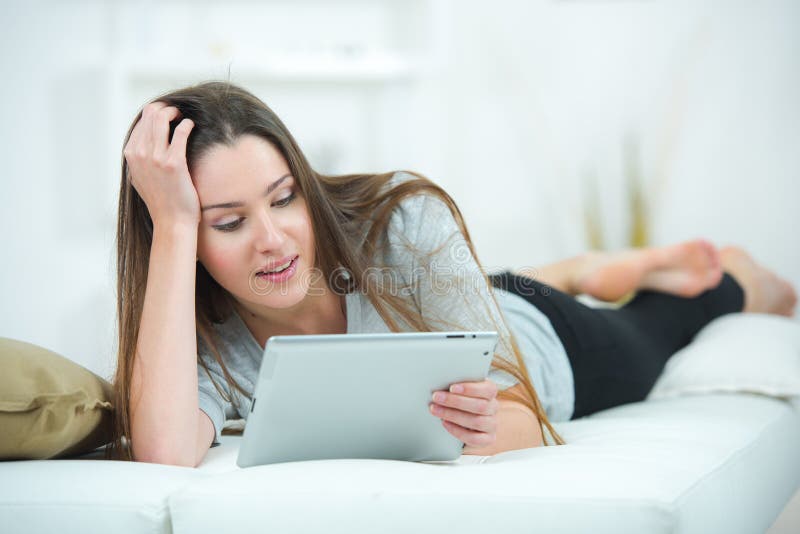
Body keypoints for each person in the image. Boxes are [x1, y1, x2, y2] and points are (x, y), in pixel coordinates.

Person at [108, 81, 797, 466]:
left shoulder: (401, 220)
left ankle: (733, 278)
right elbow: (164, 452)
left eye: (287, 196)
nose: (274, 239)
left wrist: (489, 427)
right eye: (227, 223)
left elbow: (522, 408)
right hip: (447, 304)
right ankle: (582, 267)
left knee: (661, 324)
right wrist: (171, 226)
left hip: (540, 337)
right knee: (472, 290)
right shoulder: (193, 331)